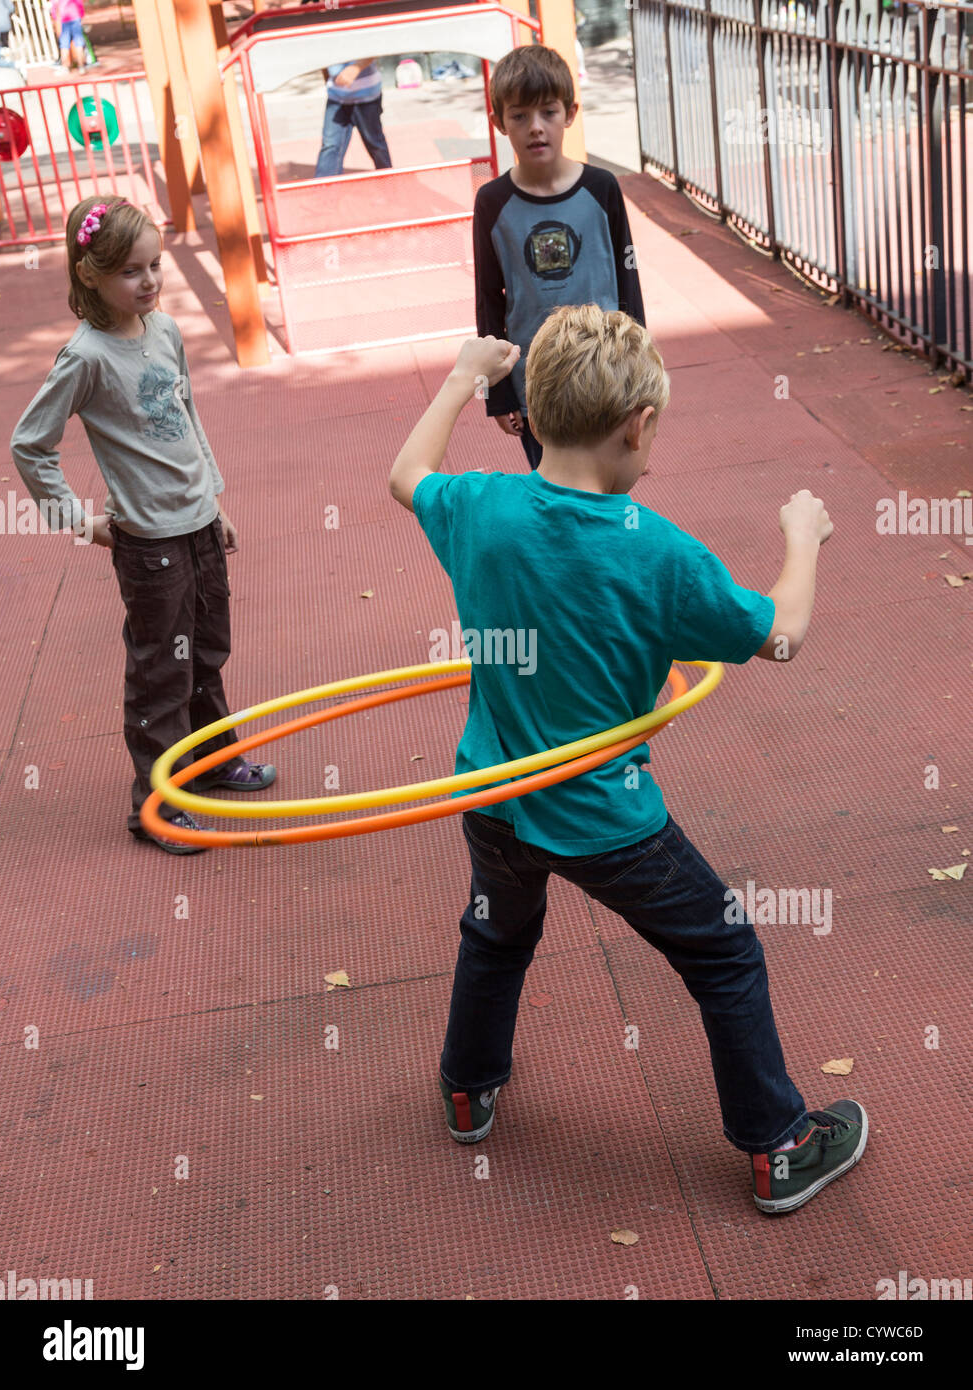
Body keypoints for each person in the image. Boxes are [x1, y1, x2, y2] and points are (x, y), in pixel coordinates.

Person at [388, 307, 868, 1214]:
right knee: (724, 953)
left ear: (531, 413)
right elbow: (783, 637)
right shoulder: (664, 560)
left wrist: (460, 375)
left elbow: (405, 475)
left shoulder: (482, 508)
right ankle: (778, 1144)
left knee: (496, 933)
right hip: (606, 819)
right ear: (638, 427)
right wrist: (802, 539)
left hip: (491, 796)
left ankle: (467, 1085)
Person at [11, 197, 276, 855]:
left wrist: (214, 501)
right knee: (162, 670)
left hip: (198, 525)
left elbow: (187, 420)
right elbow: (29, 444)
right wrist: (76, 519)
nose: (151, 281)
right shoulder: (87, 357)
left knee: (207, 651)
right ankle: (152, 808)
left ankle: (211, 762)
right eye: (132, 271)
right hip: (149, 543)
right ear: (90, 276)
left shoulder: (164, 331)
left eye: (155, 265)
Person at [473, 43, 644, 470]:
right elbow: (489, 299)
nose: (536, 127)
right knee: (553, 493)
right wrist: (498, 390)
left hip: (605, 373)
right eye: (519, 116)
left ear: (569, 113)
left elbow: (628, 282)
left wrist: (640, 374)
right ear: (499, 123)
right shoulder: (492, 202)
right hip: (537, 384)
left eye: (548, 112)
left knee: (607, 492)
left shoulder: (602, 188)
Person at [314, 57, 392, 178]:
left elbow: (375, 47)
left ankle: (389, 181)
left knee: (375, 143)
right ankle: (324, 188)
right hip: (337, 96)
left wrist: (355, 68)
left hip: (366, 95)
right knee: (330, 145)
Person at [50, 0, 86, 72]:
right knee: (78, 43)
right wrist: (81, 14)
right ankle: (81, 66)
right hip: (75, 17)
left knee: (64, 45)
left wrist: (54, 17)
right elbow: (79, 3)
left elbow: (54, 5)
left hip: (64, 19)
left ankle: (65, 66)